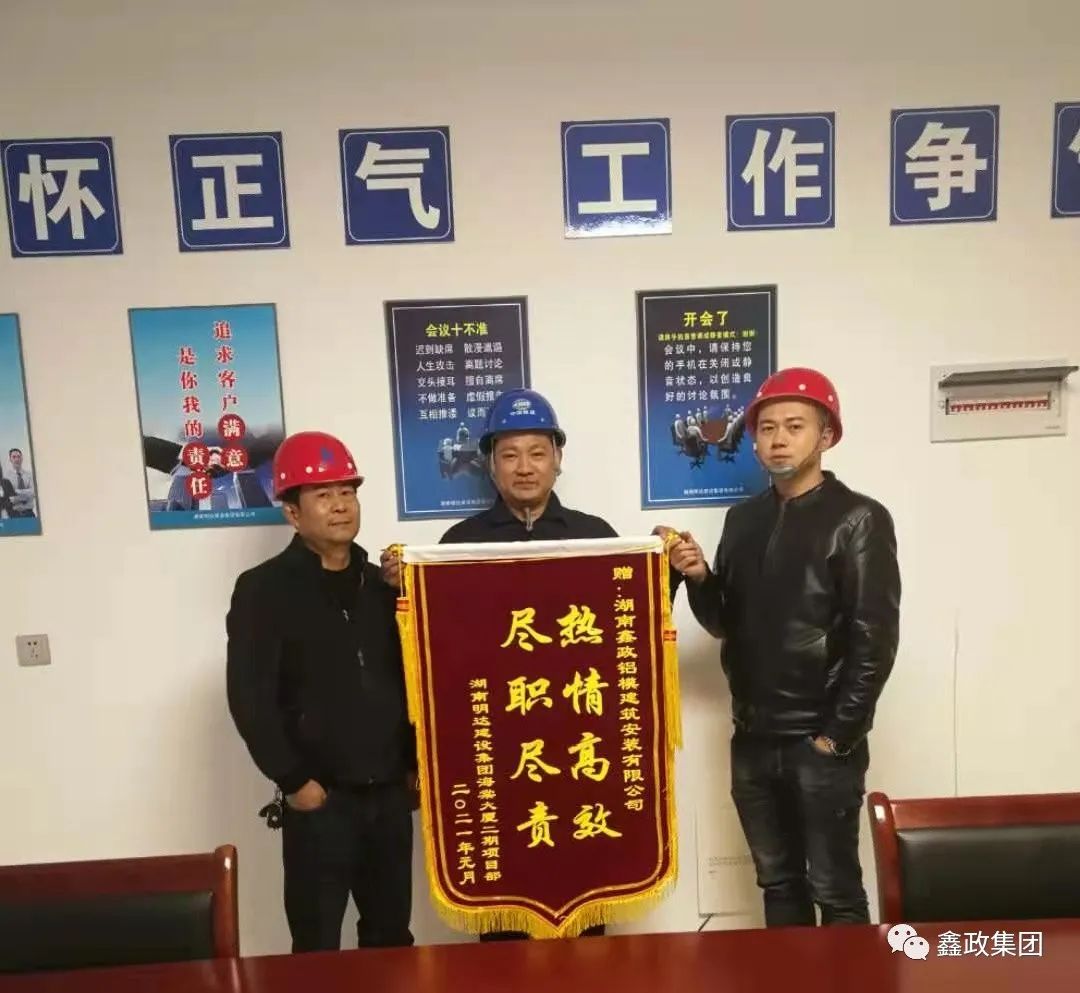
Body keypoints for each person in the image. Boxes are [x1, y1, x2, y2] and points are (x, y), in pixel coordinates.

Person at [659, 367, 900, 928]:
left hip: (821, 741)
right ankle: (790, 975)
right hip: (752, 738)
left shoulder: (858, 518)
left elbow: (874, 640)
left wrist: (835, 738)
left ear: (826, 435)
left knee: (836, 890)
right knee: (778, 884)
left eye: (795, 426)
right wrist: (699, 577)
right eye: (766, 428)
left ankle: (846, 975)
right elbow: (724, 623)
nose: (778, 440)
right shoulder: (743, 520)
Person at [381, 388, 615, 941]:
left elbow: (627, 629)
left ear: (558, 458)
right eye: (509, 455)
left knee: (583, 890)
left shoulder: (596, 537)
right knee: (503, 899)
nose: (524, 467)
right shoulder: (458, 545)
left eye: (537, 453)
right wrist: (404, 589)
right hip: (497, 748)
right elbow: (435, 656)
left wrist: (669, 571)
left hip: (575, 745)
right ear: (490, 464)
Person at [226, 431, 416, 953]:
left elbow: (415, 678)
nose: (340, 506)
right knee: (315, 946)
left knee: (391, 940)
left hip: (389, 798)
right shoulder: (263, 590)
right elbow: (250, 697)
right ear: (292, 513)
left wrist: (412, 764)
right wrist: (293, 780)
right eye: (323, 494)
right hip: (321, 800)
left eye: (347, 492)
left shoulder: (384, 587)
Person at [7, 448, 35, 517]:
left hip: (29, 514)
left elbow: (33, 493)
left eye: (18, 456)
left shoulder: (29, 475)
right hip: (13, 515)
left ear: (22, 458)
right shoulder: (6, 477)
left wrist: (16, 492)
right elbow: (9, 499)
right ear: (10, 459)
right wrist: (27, 495)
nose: (17, 459)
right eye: (14, 457)